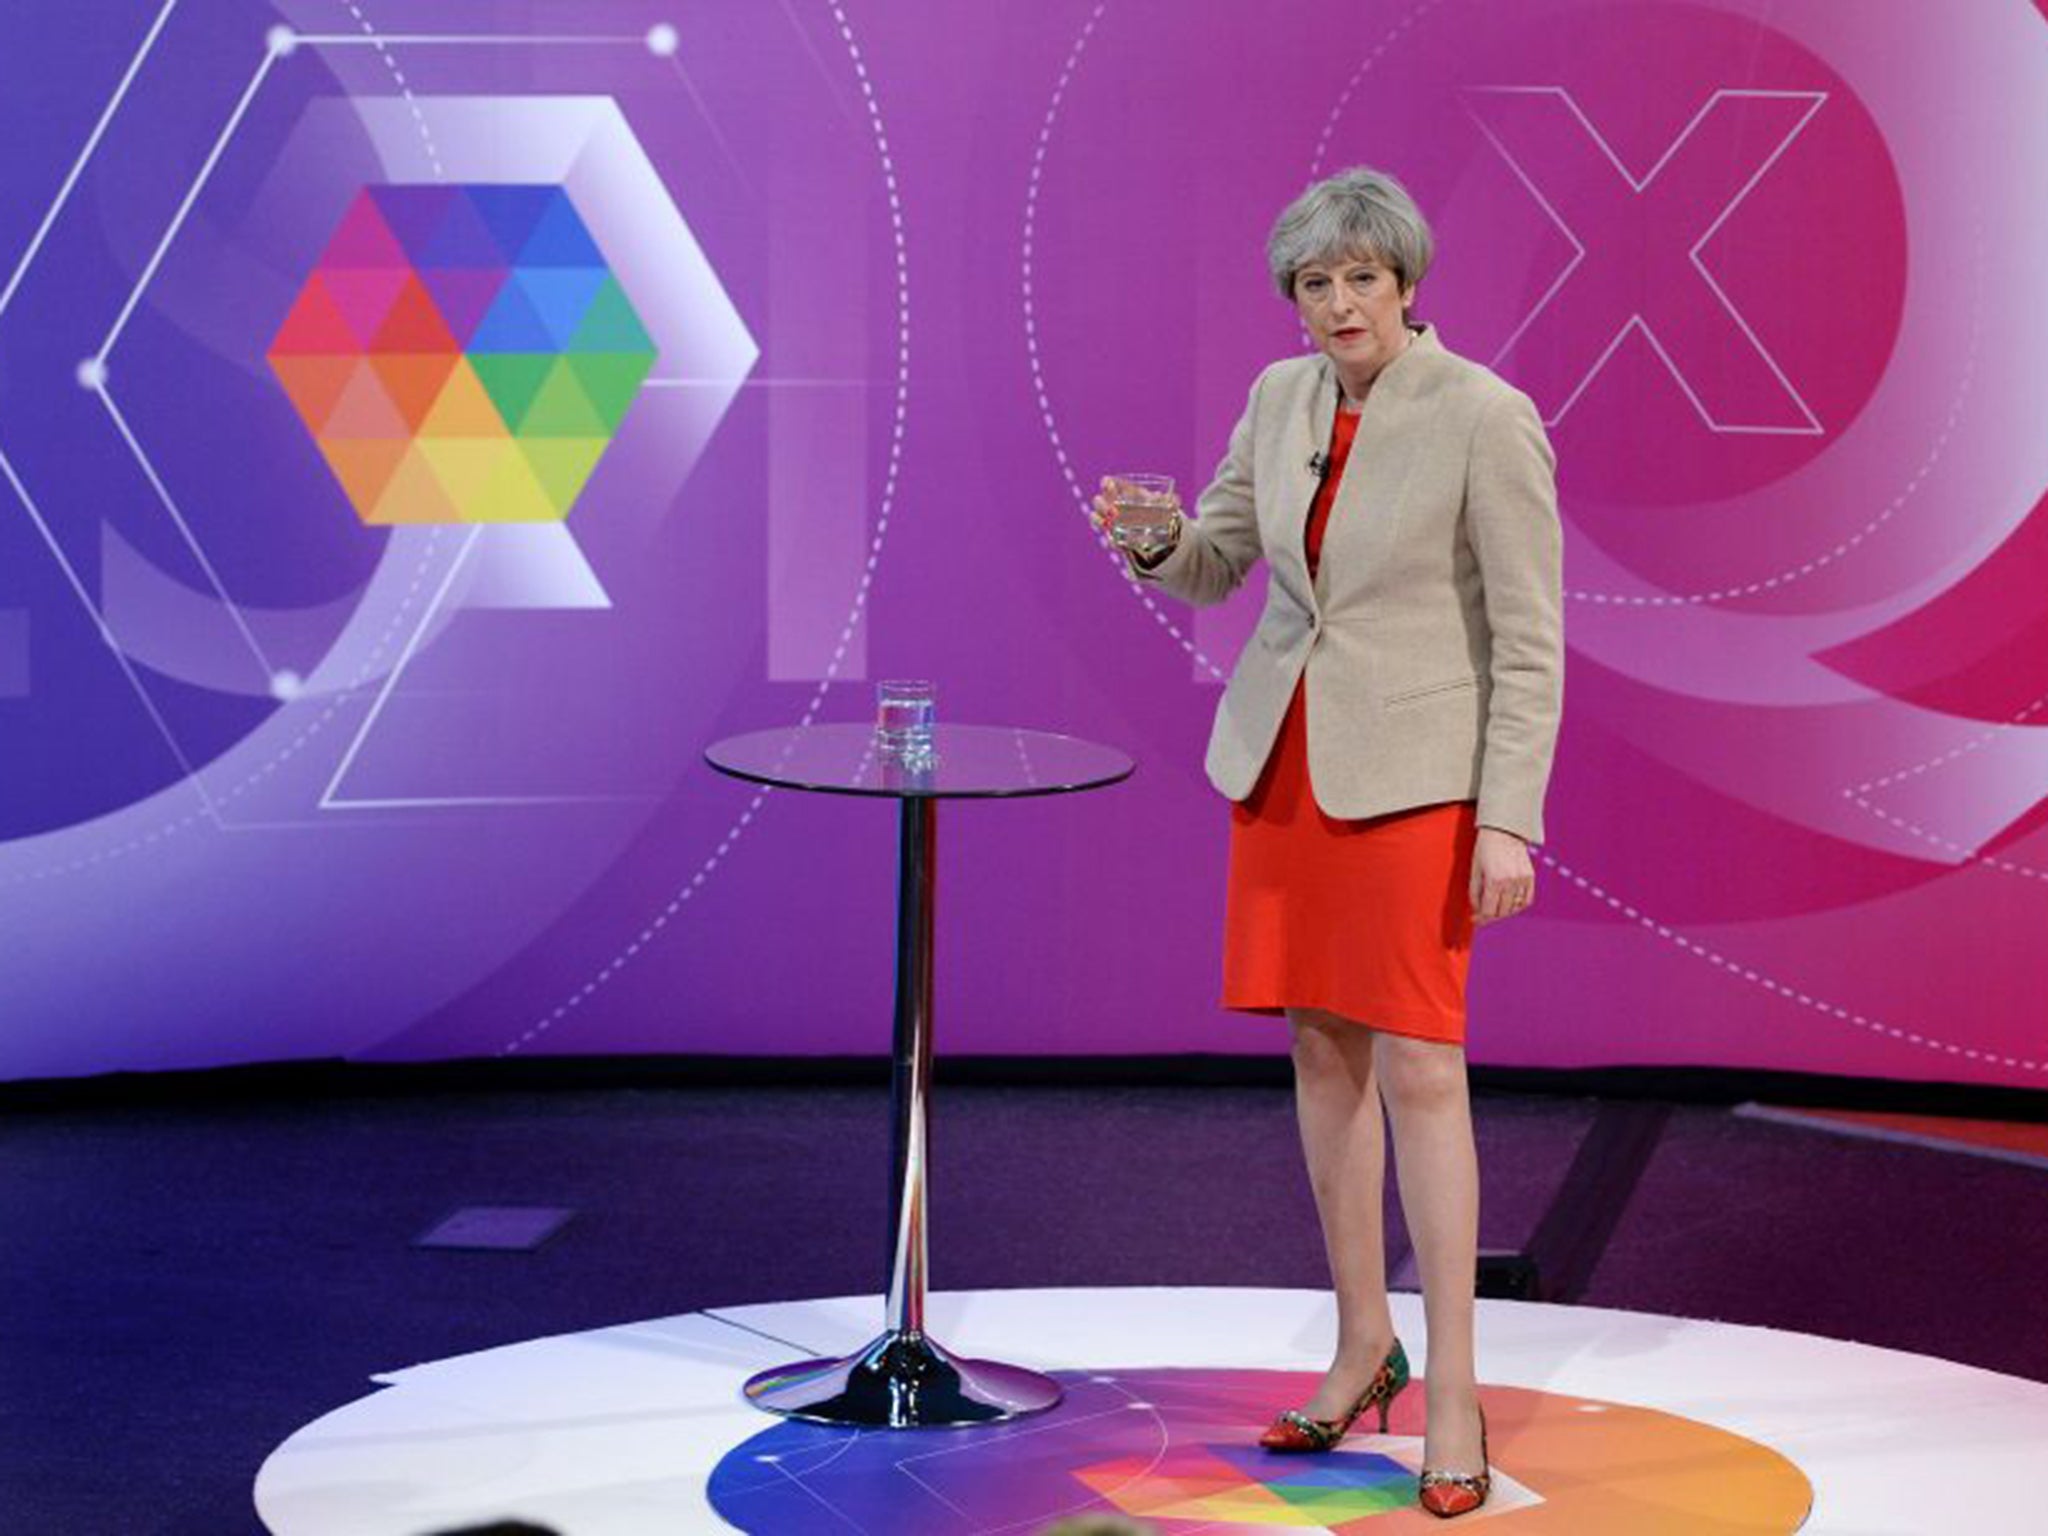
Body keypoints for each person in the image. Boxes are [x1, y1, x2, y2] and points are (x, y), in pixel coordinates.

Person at [1093, 166, 1562, 1519]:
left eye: (1364, 277)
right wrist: (1155, 539)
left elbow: (1530, 642)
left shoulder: (1485, 417)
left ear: (1408, 284)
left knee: (1423, 1060)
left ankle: (1457, 1388)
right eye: (1316, 283)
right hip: (1289, 765)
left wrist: (1510, 816)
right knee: (1320, 1042)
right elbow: (1218, 565)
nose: (1341, 303)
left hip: (1419, 781)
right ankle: (1365, 1344)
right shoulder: (1277, 400)